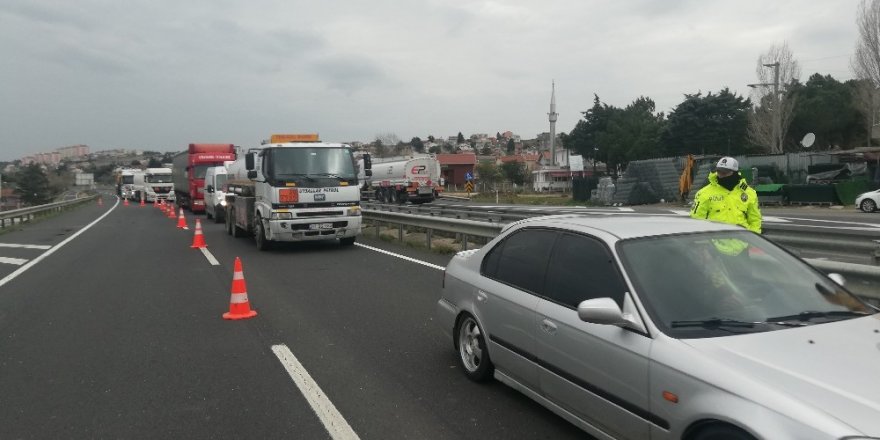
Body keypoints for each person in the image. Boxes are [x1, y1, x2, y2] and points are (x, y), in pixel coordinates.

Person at [690, 157, 762, 234]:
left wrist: (753, 239)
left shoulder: (749, 193)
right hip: (714, 243)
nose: (721, 175)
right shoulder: (704, 193)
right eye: (719, 171)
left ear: (734, 173)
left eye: (725, 172)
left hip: (742, 242)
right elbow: (697, 220)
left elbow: (755, 220)